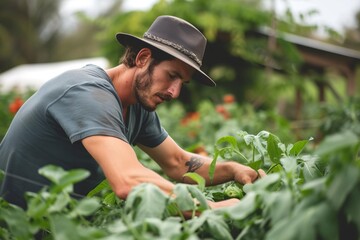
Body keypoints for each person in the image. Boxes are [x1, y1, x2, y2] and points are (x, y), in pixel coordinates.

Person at [0, 15, 266, 210]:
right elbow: (127, 179)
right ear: (142, 59)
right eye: (171, 76)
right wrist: (209, 207)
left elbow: (177, 162)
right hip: (15, 223)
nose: (174, 92)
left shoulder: (138, 105)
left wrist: (233, 169)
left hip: (59, 220)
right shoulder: (87, 92)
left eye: (181, 83)